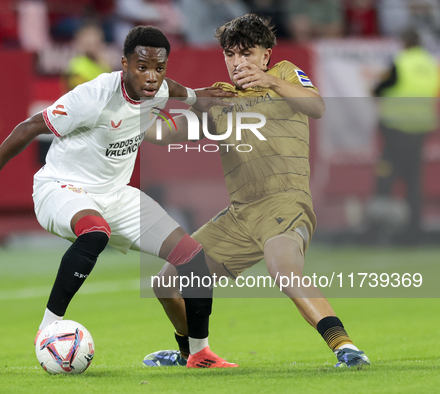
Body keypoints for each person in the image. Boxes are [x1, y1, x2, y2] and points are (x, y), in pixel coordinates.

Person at [0, 25, 238, 369]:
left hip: (116, 195)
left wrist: (198, 96)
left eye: (159, 68)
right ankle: (48, 327)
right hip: (62, 187)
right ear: (124, 64)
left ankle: (198, 353)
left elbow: (172, 88)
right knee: (96, 233)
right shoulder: (93, 96)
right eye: (142, 68)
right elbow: (31, 126)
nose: (152, 77)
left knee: (193, 259)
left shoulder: (157, 87)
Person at [144, 14, 371, 368]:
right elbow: (166, 134)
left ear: (266, 55)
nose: (238, 63)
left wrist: (268, 80)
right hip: (238, 216)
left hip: (284, 202)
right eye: (230, 55)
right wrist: (135, 117)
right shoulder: (220, 98)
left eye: (246, 54)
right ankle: (192, 354)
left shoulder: (284, 74)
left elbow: (318, 106)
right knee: (166, 284)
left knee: (283, 270)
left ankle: (346, 347)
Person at [372, 27, 439, 242]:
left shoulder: (401, 62)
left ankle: (380, 227)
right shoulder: (431, 65)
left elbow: (381, 88)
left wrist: (373, 90)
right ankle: (415, 227)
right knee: (413, 179)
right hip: (419, 129)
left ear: (405, 42)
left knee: (386, 174)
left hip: (396, 128)